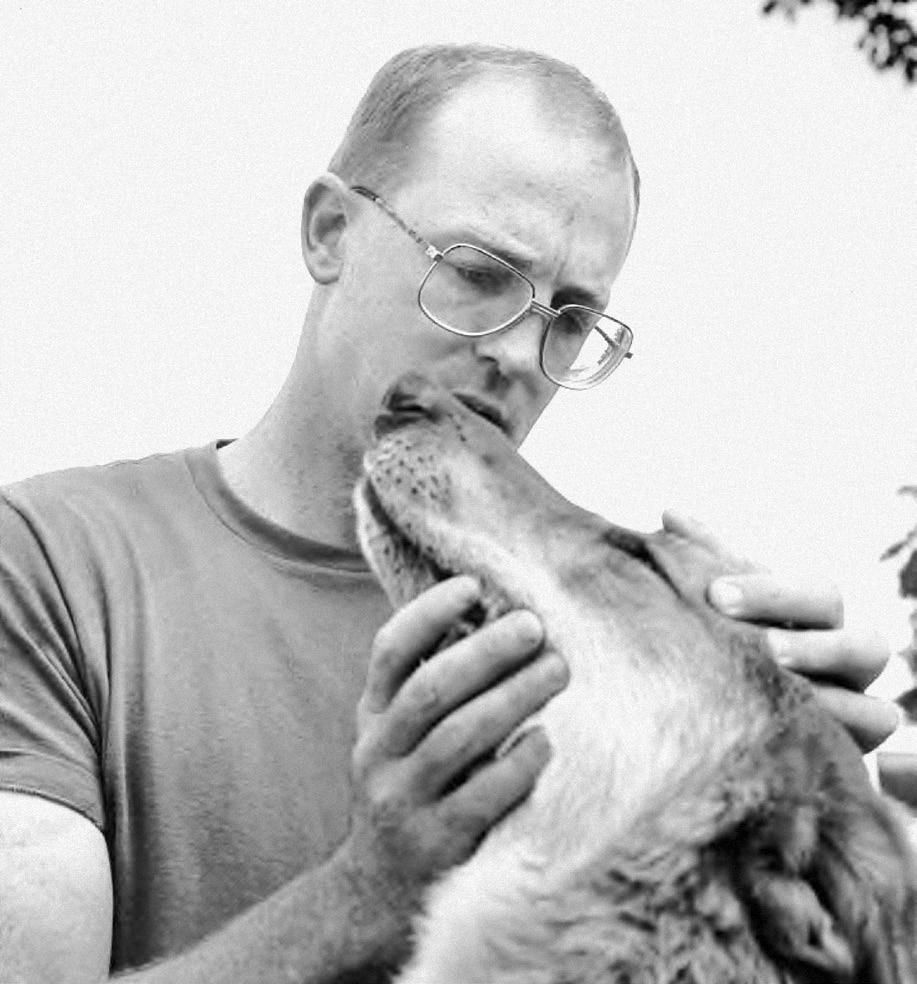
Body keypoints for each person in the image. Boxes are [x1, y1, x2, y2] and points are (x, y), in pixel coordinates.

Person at [0, 44, 897, 984]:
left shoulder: (627, 657)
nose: (518, 353)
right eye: (479, 271)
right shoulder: (50, 564)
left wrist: (804, 800)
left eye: (570, 319)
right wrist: (370, 889)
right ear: (329, 233)